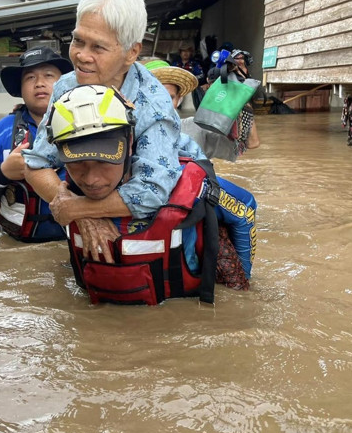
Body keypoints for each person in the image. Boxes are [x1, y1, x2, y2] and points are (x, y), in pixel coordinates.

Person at [24, 0, 206, 257]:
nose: (82, 56)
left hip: (171, 170)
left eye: (98, 47)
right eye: (78, 41)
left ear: (131, 53)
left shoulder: (152, 100)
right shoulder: (65, 88)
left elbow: (153, 189)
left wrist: (78, 208)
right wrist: (83, 212)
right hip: (105, 187)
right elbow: (36, 164)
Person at [46, 85, 258, 305]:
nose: (91, 179)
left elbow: (245, 209)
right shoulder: (62, 194)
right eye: (77, 163)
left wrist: (241, 286)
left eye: (104, 161)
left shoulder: (184, 183)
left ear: (129, 144)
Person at [0, 46, 73, 242]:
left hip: (71, 245)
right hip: (17, 245)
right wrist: (2, 173)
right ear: (20, 89)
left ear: (66, 83)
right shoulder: (2, 131)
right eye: (30, 78)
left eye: (48, 75)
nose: (39, 83)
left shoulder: (88, 124)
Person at [171, 40, 206, 108]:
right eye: (183, 51)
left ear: (191, 53)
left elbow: (201, 75)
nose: (185, 53)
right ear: (180, 53)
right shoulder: (175, 64)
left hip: (192, 90)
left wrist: (190, 78)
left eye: (188, 51)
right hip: (178, 89)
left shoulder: (195, 64)